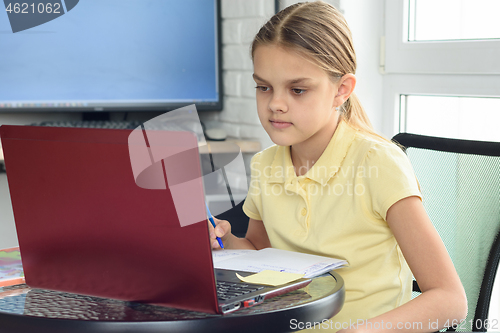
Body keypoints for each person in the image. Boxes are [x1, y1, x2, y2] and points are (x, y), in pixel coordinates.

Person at [209, 1, 467, 331]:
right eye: (263, 87)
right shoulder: (266, 165)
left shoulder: (379, 164)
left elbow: (449, 299)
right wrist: (227, 238)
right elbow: (261, 251)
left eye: (298, 89)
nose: (275, 103)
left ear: (340, 91)